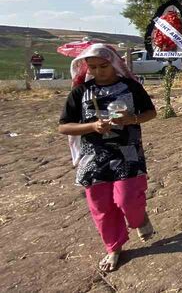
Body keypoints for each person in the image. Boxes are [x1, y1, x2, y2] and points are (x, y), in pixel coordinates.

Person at [57, 44, 157, 272]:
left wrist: (131, 119)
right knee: (101, 206)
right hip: (93, 157)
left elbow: (151, 113)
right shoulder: (80, 92)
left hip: (127, 153)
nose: (98, 71)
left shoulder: (131, 87)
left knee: (127, 200)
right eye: (92, 67)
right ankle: (114, 247)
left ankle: (139, 219)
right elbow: (63, 127)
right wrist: (92, 125)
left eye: (103, 66)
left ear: (114, 63)